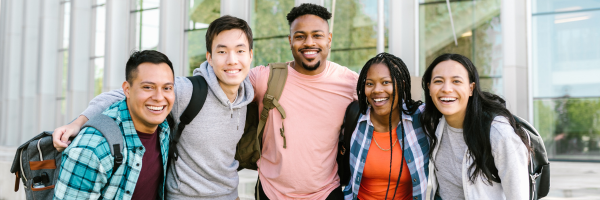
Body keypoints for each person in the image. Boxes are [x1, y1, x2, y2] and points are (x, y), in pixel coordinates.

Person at [52, 16, 254, 199]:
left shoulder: (248, 96)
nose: (232, 60)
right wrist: (78, 122)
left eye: (240, 50)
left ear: (250, 55)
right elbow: (123, 95)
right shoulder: (189, 91)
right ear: (209, 57)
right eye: (222, 51)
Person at [250, 3, 359, 200]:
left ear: (329, 39)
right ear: (290, 40)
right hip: (271, 192)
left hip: (326, 193)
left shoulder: (350, 82)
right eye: (300, 36)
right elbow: (221, 85)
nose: (309, 42)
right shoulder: (265, 78)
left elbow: (389, 102)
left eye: (317, 35)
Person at [54, 50, 175, 199]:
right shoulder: (92, 148)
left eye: (167, 88)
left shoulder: (164, 128)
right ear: (127, 89)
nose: (159, 97)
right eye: (148, 87)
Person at [421, 53, 531, 200]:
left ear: (471, 88)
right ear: (429, 88)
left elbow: (519, 196)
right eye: (438, 81)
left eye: (456, 81)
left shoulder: (498, 132)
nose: (446, 89)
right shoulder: (433, 124)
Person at [342, 53, 429, 200]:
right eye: (370, 83)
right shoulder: (355, 118)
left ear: (401, 85)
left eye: (385, 82)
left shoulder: (420, 119)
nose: (376, 90)